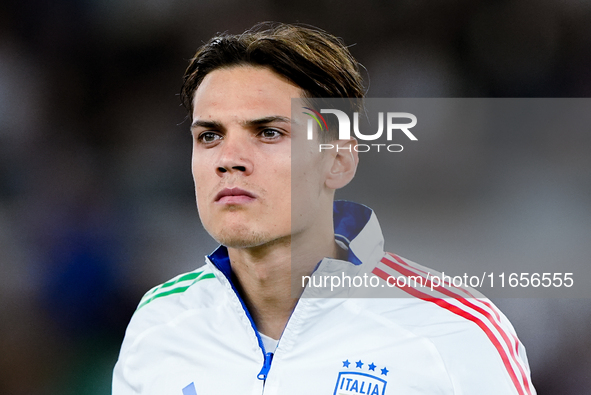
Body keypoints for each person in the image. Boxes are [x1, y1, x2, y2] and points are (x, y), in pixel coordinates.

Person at [112, 22, 536, 395]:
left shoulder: (452, 332)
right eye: (209, 136)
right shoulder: (157, 326)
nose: (229, 158)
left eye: (269, 132)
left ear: (339, 160)